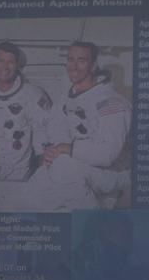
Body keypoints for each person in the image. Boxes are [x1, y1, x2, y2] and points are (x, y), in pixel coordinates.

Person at [39, 40, 131, 205]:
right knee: (29, 194)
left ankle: (91, 222)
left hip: (112, 173)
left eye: (81, 60)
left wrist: (67, 149)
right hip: (78, 162)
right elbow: (55, 129)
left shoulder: (112, 102)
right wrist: (51, 151)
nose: (74, 66)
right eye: (70, 59)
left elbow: (108, 154)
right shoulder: (66, 99)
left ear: (93, 65)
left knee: (63, 168)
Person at [0, 41, 53, 181]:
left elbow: (42, 131)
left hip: (21, 176)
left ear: (17, 65)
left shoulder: (32, 94)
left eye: (10, 62)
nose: (5, 67)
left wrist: (42, 166)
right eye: (0, 61)